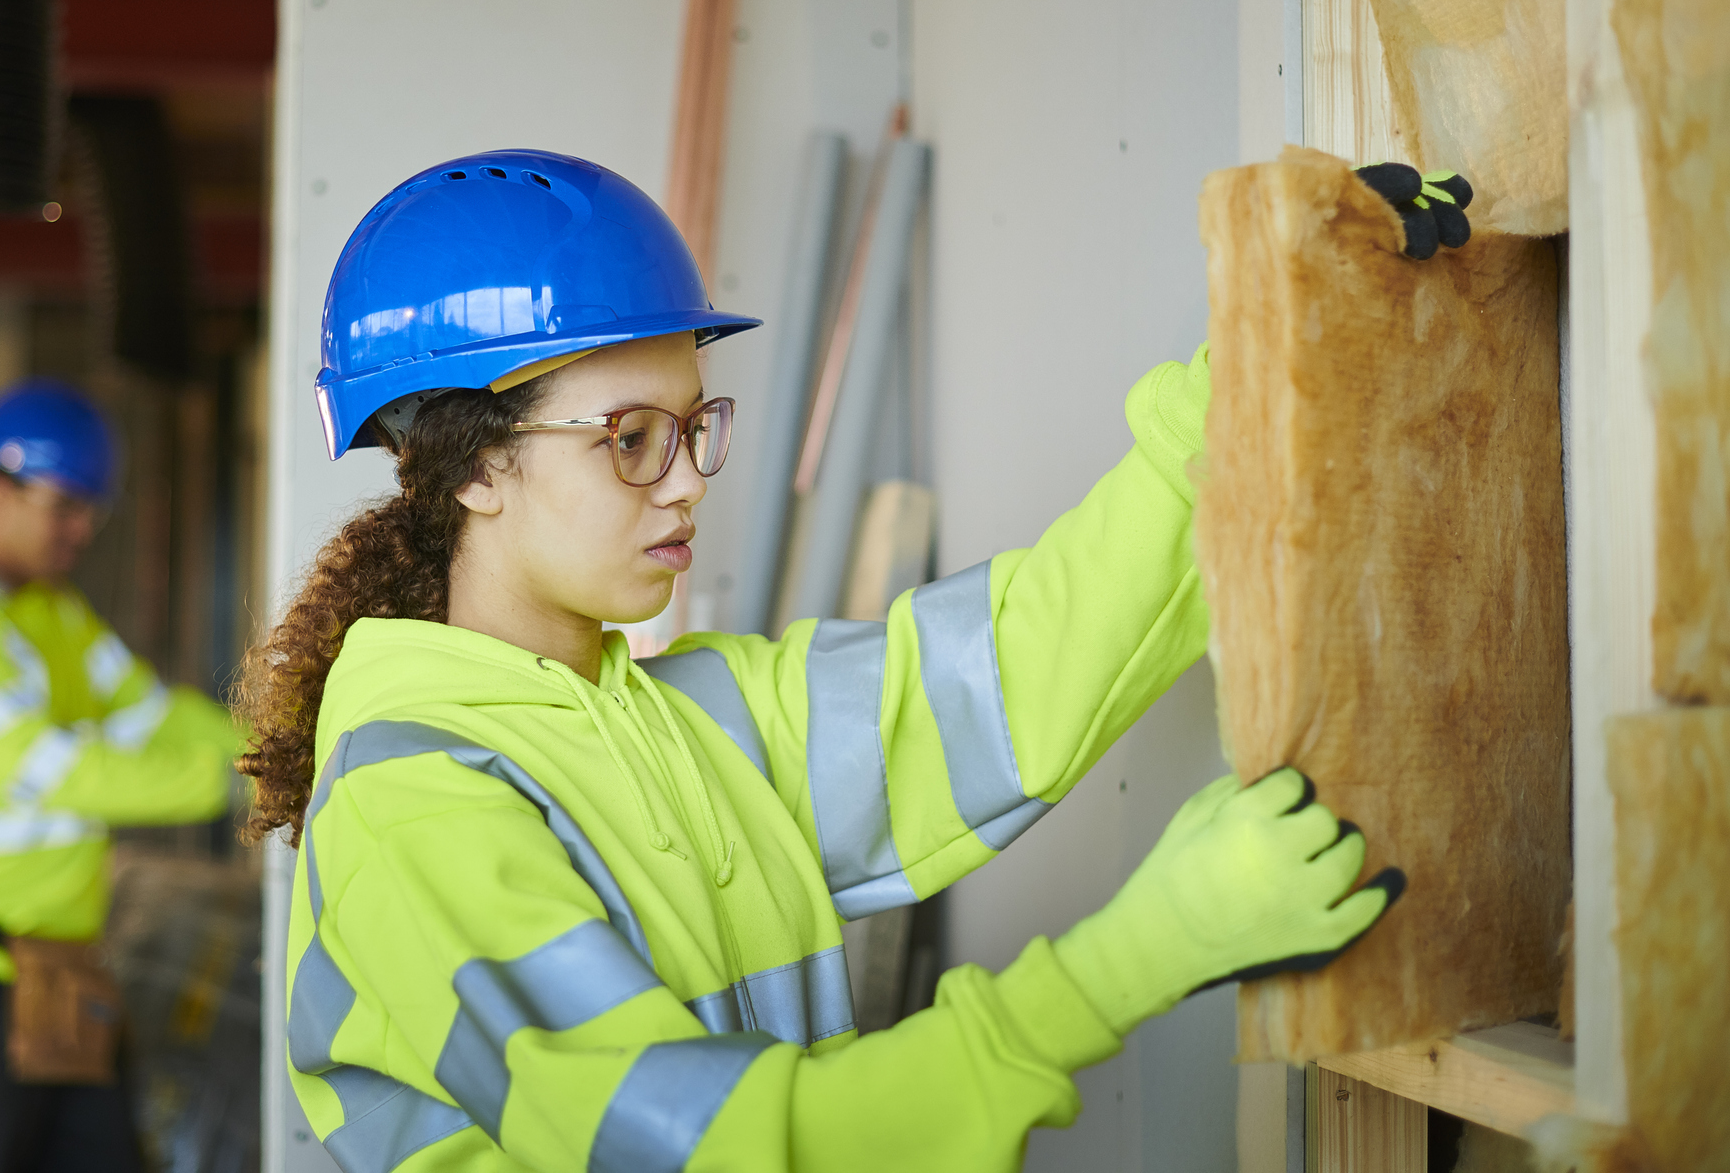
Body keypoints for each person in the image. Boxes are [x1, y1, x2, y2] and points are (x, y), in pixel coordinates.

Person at [239, 150, 1422, 1172]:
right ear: (470, 469)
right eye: (633, 440)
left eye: (695, 425)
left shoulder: (689, 717)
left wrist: (1249, 383)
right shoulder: (413, 805)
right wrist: (1137, 957)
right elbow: (708, 1148)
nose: (693, 477)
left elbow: (1011, 675)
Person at [0, 381, 247, 1173]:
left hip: (59, 969)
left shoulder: (55, 615)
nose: (82, 530)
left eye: (91, 512)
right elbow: (52, 772)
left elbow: (151, 714)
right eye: (65, 506)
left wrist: (264, 752)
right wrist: (234, 784)